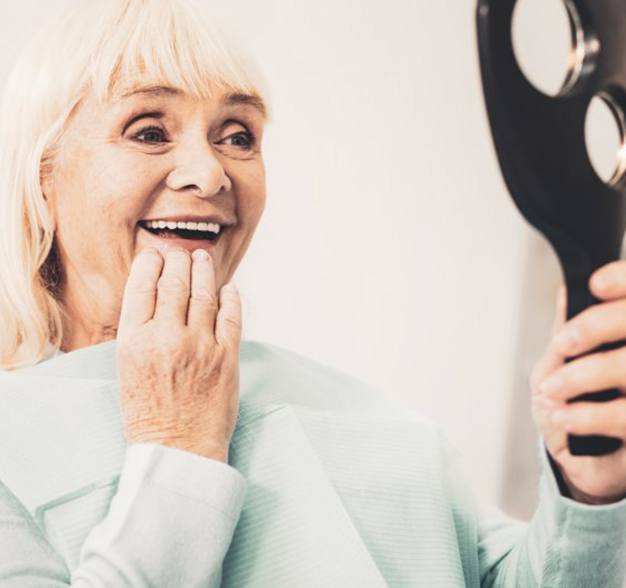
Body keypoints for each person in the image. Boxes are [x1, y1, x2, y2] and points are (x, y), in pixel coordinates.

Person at [1, 0, 626, 586]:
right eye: (148, 131)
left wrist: (588, 492)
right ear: (43, 177)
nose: (211, 171)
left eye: (238, 135)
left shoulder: (374, 419)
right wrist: (178, 445)